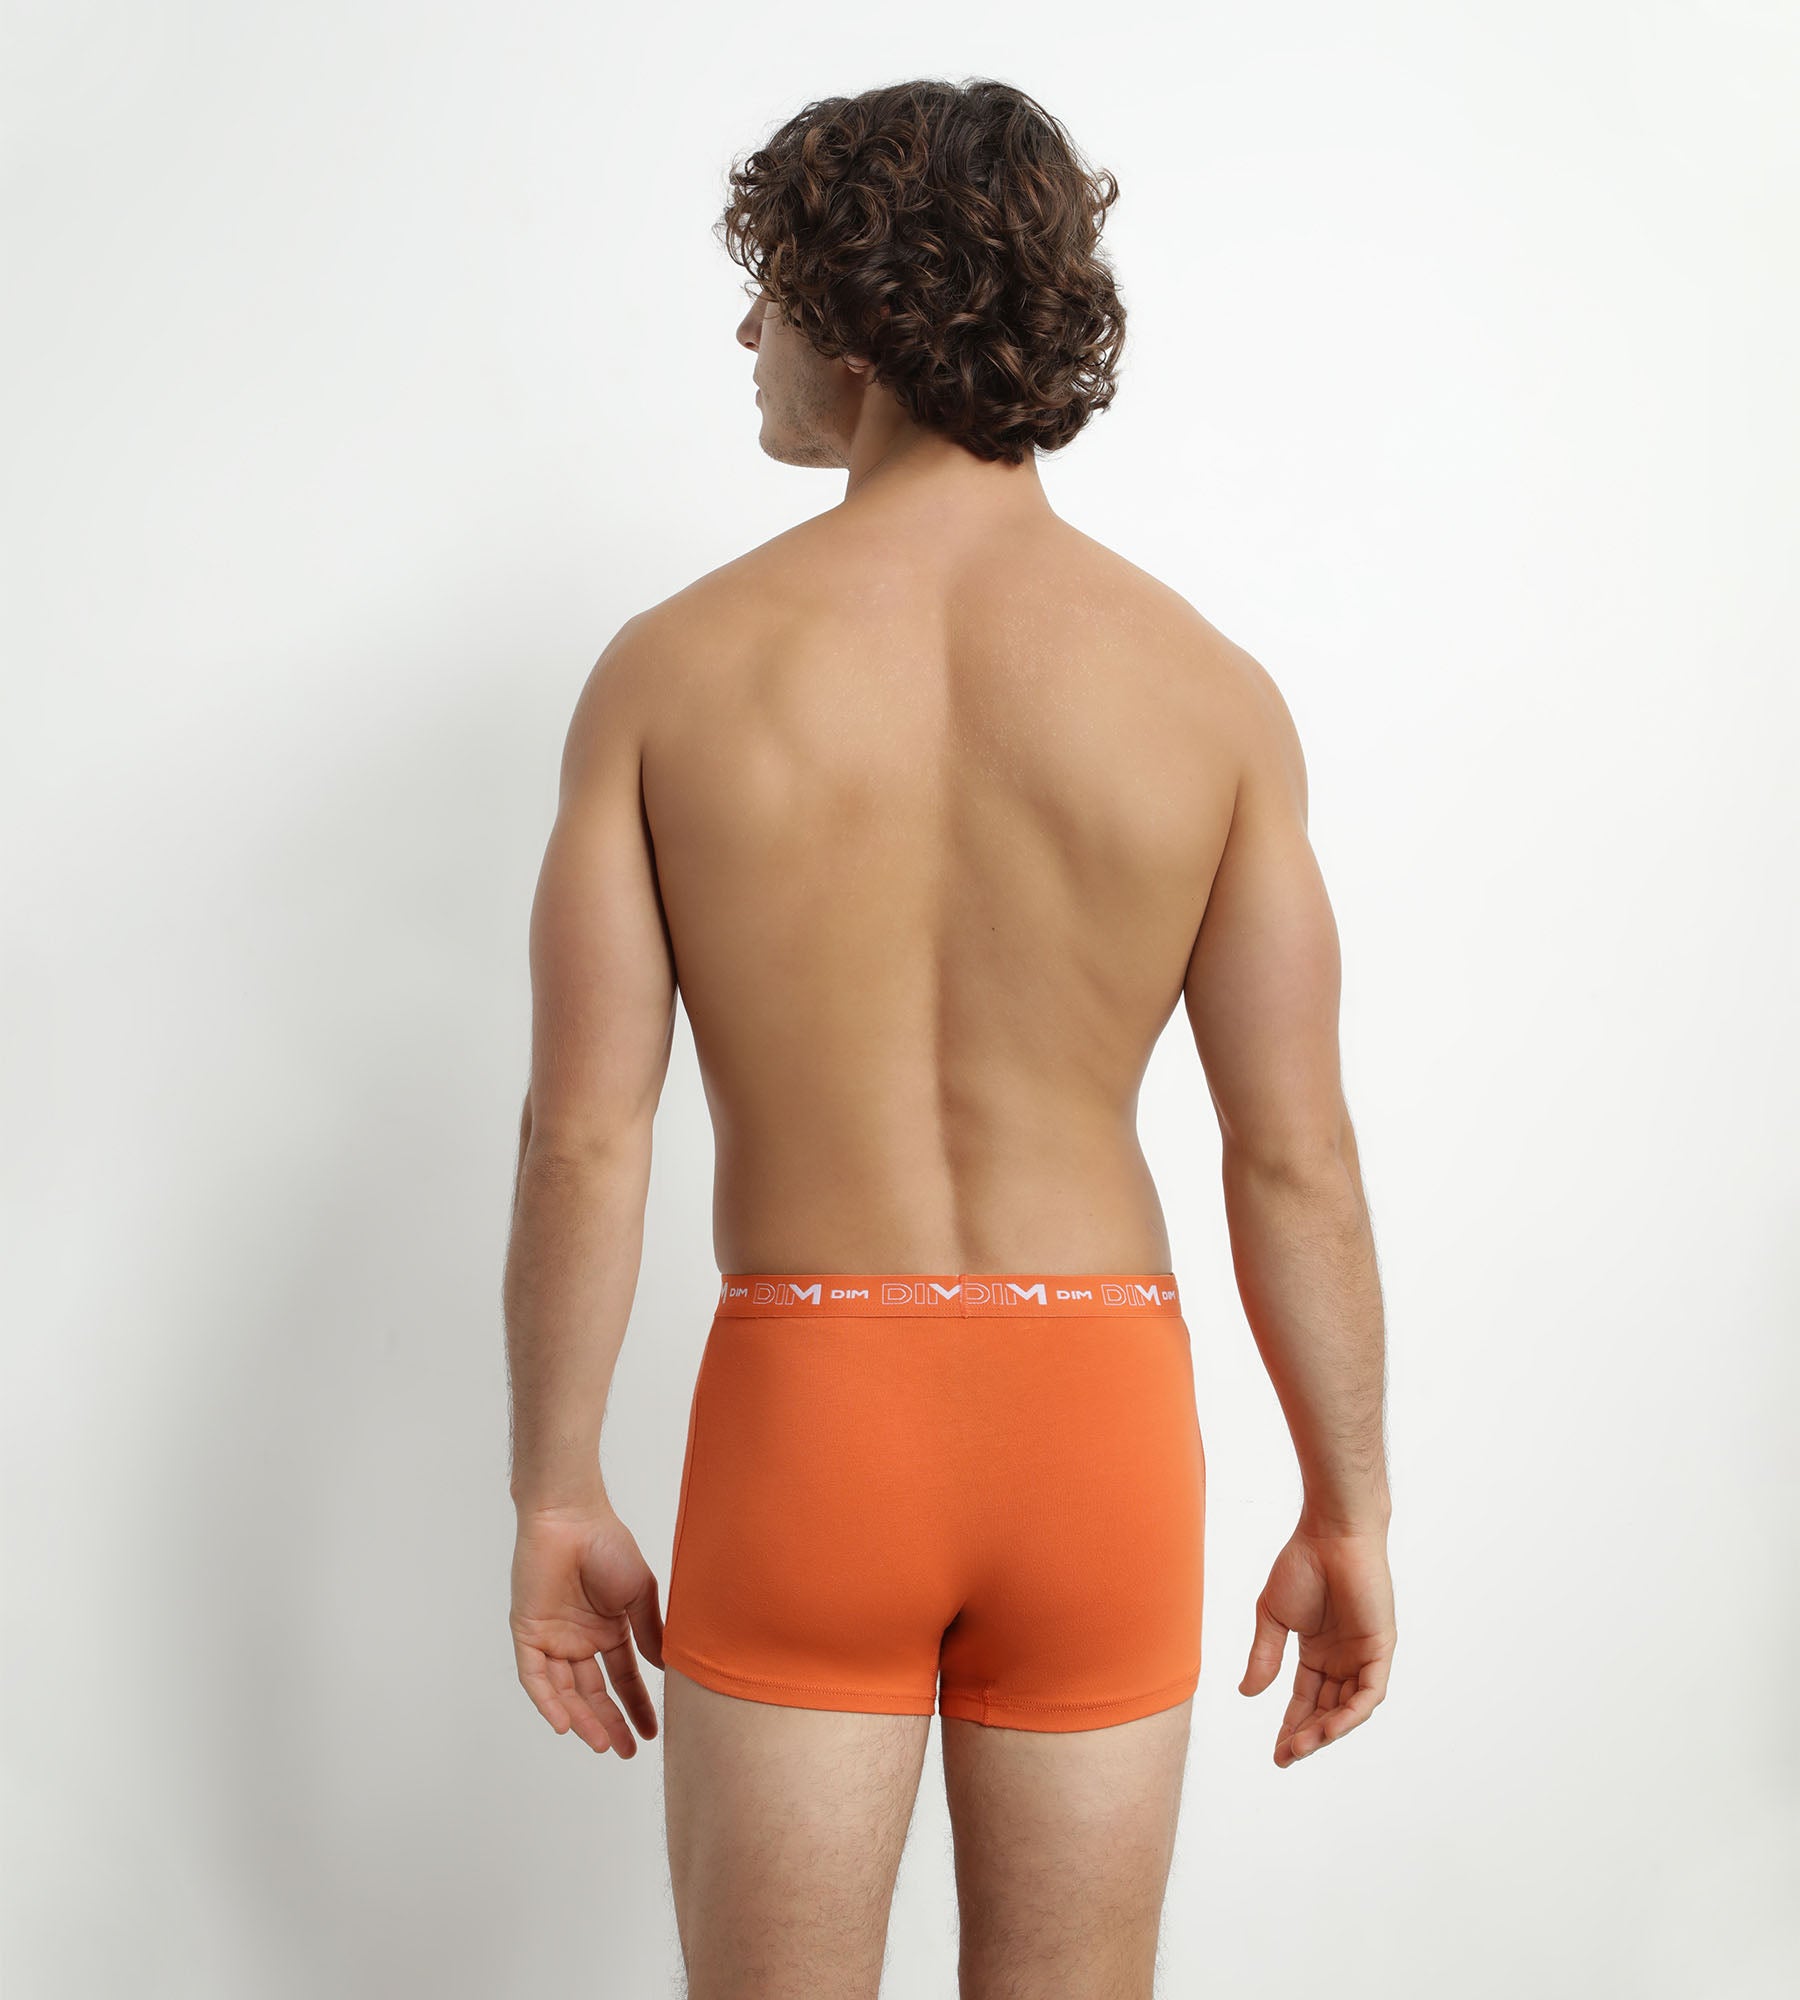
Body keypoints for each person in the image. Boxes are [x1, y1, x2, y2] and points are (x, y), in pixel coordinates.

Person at [503, 75, 1395, 1999]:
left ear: (859, 315)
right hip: (1098, 1423)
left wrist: (556, 1488)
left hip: (811, 1417)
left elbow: (585, 1135)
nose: (747, 334)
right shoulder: (1211, 695)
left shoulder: (669, 675)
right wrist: (1350, 1503)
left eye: (769, 288)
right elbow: (1294, 1150)